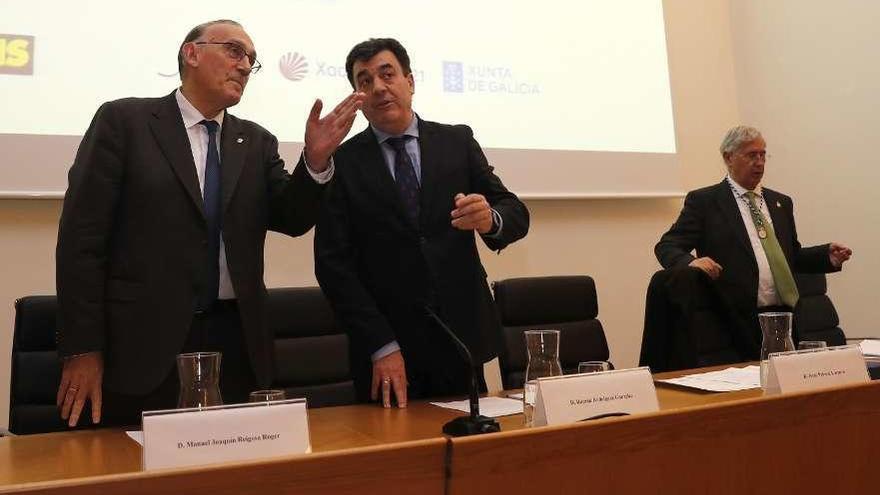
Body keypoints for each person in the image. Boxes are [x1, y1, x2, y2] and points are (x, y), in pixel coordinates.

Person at [55, 19, 364, 427]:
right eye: (235, 51)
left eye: (251, 61)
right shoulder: (124, 123)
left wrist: (316, 162)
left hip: (235, 340)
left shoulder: (256, 142)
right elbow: (82, 243)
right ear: (192, 53)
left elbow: (292, 218)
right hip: (143, 343)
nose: (244, 66)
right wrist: (83, 349)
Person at [315, 38, 529, 408]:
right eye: (365, 81)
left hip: (459, 338)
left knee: (472, 452)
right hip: (386, 348)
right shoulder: (343, 161)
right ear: (358, 96)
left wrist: (489, 219)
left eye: (387, 74)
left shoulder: (455, 141)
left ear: (409, 81)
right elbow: (333, 264)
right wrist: (381, 345)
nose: (379, 87)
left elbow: (514, 210)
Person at [654, 125, 852, 353]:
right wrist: (690, 262)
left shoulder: (781, 203)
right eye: (751, 155)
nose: (759, 162)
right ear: (728, 157)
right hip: (732, 320)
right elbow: (667, 245)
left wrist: (826, 256)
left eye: (762, 154)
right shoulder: (706, 202)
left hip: (784, 316)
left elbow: (788, 257)